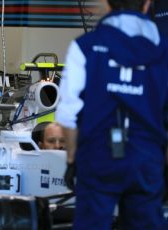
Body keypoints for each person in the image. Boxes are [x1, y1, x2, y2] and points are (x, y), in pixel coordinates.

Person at [55, 0, 168, 229]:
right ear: (147, 4)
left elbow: (67, 113)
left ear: (107, 4)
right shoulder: (164, 51)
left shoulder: (85, 46)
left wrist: (72, 159)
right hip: (147, 160)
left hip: (97, 155)